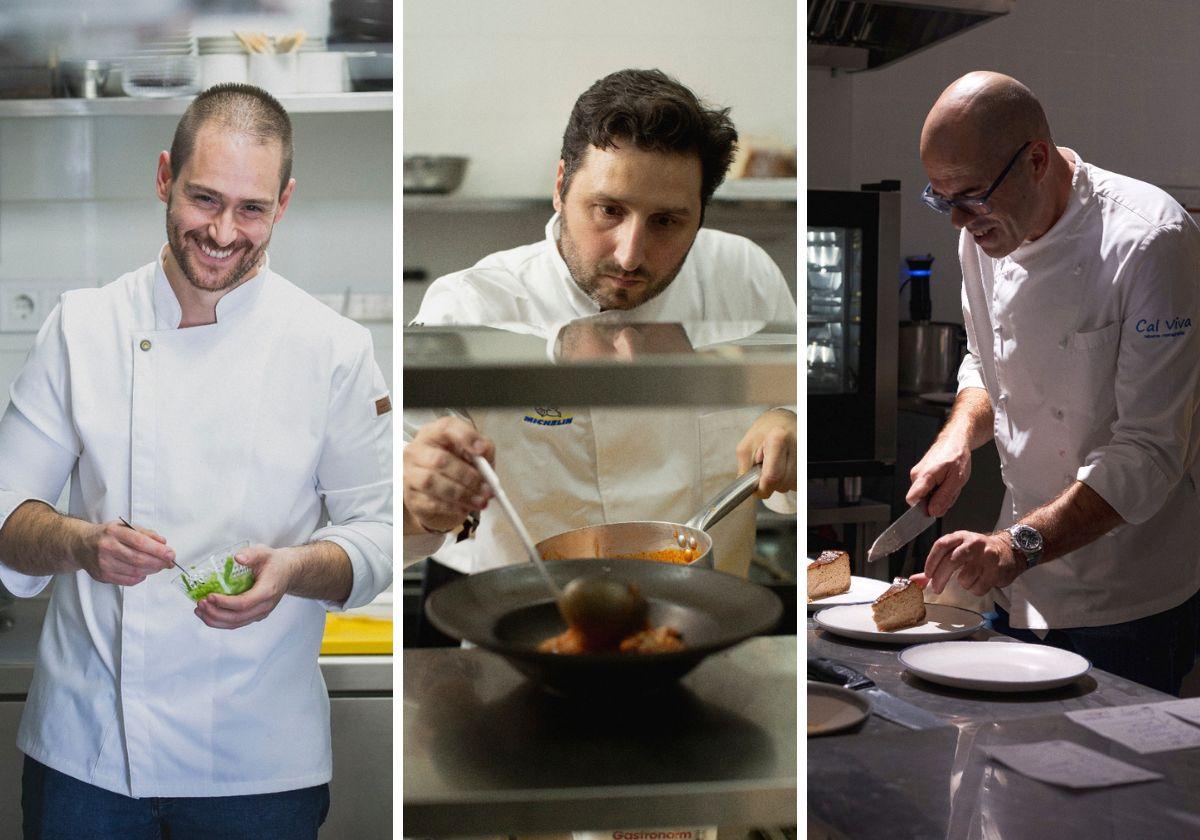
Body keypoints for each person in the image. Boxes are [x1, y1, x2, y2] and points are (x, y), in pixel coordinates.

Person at [0, 84, 392, 837]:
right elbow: (5, 511)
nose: (222, 231)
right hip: (88, 752)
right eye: (203, 198)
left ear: (284, 203)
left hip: (257, 761)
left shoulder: (332, 350)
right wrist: (81, 544)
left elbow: (375, 536)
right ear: (163, 179)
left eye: (251, 208)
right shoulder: (83, 327)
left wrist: (292, 570)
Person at [403, 69, 796, 639]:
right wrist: (423, 495)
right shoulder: (471, 304)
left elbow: (792, 468)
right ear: (561, 184)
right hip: (524, 636)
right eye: (608, 210)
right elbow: (407, 507)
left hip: (703, 637)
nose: (631, 254)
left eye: (666, 221)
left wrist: (790, 426)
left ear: (702, 212)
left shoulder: (744, 278)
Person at [908, 71, 1200, 695]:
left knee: (1111, 786)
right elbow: (988, 362)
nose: (959, 221)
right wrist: (958, 436)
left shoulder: (1151, 241)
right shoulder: (983, 236)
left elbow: (1151, 450)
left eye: (971, 197)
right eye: (940, 200)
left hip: (1130, 597)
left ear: (1036, 160)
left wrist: (1017, 544)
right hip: (1020, 578)